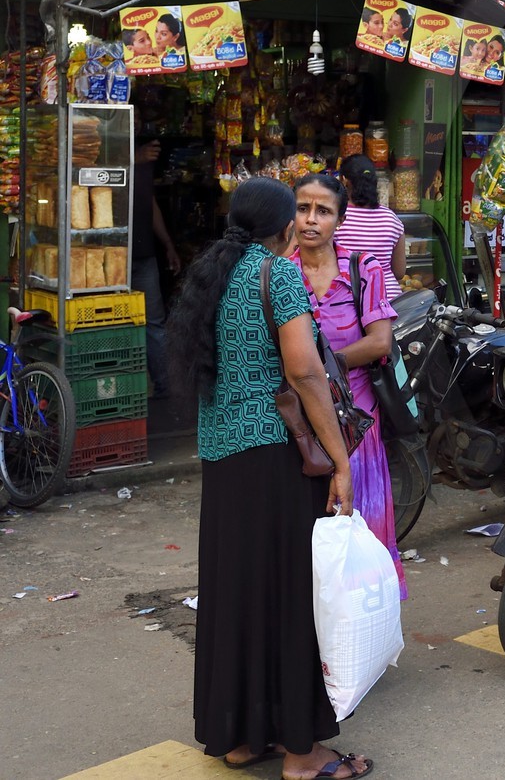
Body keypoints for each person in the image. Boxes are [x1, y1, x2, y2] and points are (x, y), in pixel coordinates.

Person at [166, 177, 374, 779]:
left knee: (236, 592)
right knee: (288, 596)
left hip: (223, 458)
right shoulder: (279, 274)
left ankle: (238, 738)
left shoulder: (213, 275)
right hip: (275, 458)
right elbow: (306, 374)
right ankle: (303, 755)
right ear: (285, 228)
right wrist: (340, 460)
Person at [292, 172, 407, 596]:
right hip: (299, 425)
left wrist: (323, 366)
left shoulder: (363, 269)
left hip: (356, 423)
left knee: (359, 530)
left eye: (323, 211)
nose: (310, 219)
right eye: (303, 208)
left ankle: (361, 629)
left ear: (339, 220)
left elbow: (380, 340)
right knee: (309, 538)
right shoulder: (279, 273)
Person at [132, 138, 182, 400]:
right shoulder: (113, 156)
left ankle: (165, 386)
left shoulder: (144, 167)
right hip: (115, 256)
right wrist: (134, 159)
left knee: (154, 321)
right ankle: (131, 390)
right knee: (117, 323)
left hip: (144, 255)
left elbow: (151, 206)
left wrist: (168, 245)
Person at [333, 155, 406, 300]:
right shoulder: (391, 218)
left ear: (344, 180)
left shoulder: (336, 217)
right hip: (389, 301)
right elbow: (399, 272)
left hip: (347, 301)